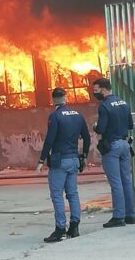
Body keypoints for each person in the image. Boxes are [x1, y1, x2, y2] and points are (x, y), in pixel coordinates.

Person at [36, 87, 91, 242]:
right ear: (66, 98)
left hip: (59, 161)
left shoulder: (55, 116)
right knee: (73, 194)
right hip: (74, 159)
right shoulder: (78, 115)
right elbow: (87, 137)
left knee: (57, 195)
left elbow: (50, 140)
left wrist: (41, 160)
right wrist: (85, 156)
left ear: (53, 100)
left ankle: (60, 228)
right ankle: (74, 226)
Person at [93, 78, 135, 228]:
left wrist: (95, 127)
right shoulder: (123, 103)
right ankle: (130, 215)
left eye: (96, 90)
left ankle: (118, 216)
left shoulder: (104, 106)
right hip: (125, 144)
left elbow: (101, 129)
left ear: (104, 89)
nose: (94, 93)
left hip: (112, 146)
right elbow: (130, 124)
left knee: (115, 182)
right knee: (126, 180)